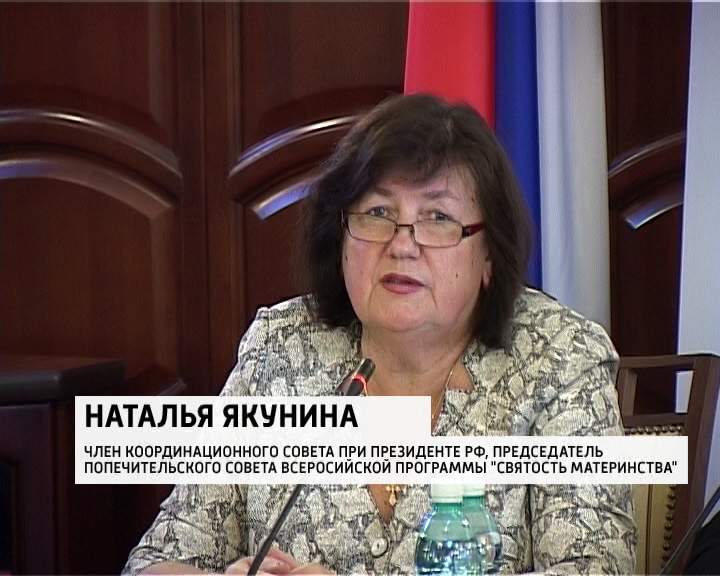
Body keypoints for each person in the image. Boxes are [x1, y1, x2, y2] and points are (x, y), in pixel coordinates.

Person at [123, 93, 636, 575]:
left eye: (438, 217)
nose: (402, 245)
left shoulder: (558, 358)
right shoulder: (280, 348)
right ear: (341, 237)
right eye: (378, 213)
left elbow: (594, 567)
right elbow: (158, 558)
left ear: (488, 257)